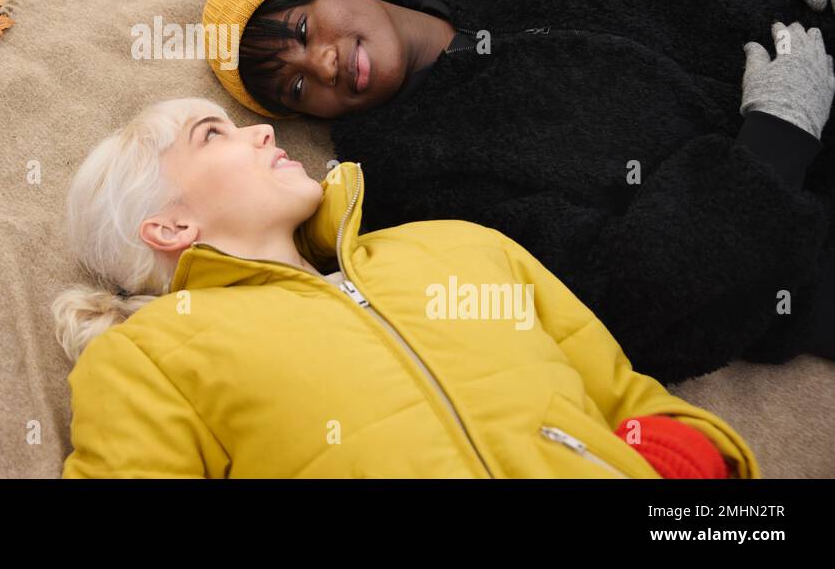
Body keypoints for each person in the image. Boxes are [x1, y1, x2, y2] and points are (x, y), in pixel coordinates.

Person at [199, 0, 835, 384]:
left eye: (306, 30)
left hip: (809, 10)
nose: (325, 64)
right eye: (297, 87)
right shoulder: (411, 176)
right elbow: (624, 305)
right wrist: (778, 139)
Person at [54, 97, 760, 479]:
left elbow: (627, 400)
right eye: (214, 134)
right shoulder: (145, 355)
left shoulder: (453, 243)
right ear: (169, 225)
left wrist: (683, 464)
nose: (263, 130)